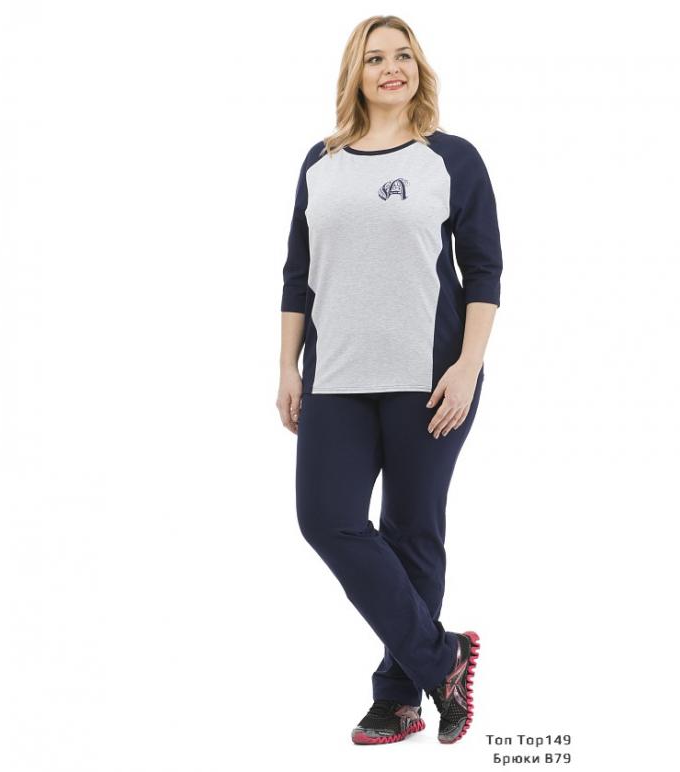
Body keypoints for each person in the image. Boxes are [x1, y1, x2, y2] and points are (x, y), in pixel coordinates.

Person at [276, 15, 502, 746]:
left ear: (419, 68)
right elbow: (298, 275)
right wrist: (287, 367)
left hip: (430, 378)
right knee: (326, 518)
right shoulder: (320, 161)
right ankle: (443, 659)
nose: (391, 68)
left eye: (403, 55)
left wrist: (467, 368)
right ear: (357, 73)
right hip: (335, 378)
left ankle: (398, 698)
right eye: (375, 58)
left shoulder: (452, 158)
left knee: (411, 532)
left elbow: (484, 272)